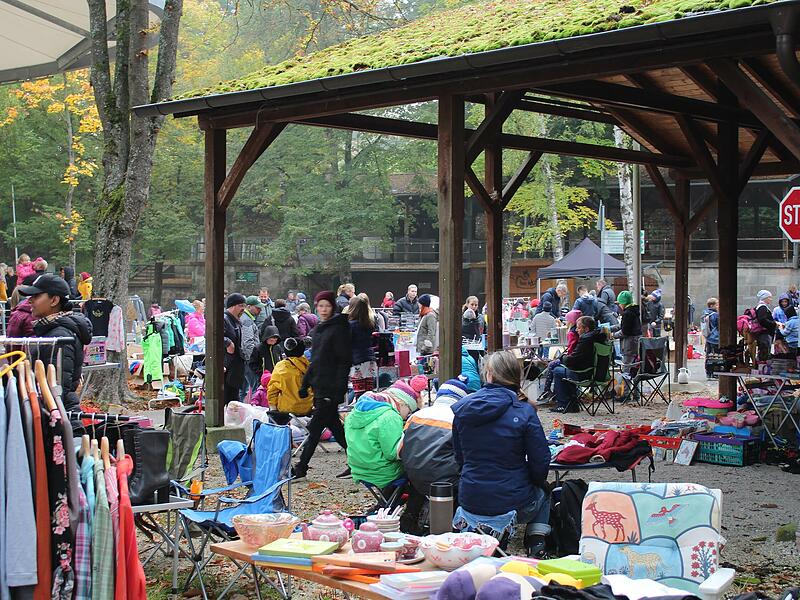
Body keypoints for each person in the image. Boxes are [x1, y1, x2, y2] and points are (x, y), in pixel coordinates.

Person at [451, 351, 551, 557]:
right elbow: (540, 460)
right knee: (544, 493)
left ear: (489, 374)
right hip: (513, 500)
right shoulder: (524, 411)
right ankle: (536, 545)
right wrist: (534, 481)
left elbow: (459, 457)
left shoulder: (464, 409)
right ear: (517, 376)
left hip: (470, 497)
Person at [294, 291, 352, 479]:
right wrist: (305, 383)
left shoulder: (339, 328)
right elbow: (316, 360)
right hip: (319, 385)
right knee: (335, 427)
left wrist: (340, 387)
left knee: (315, 429)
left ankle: (301, 467)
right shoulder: (319, 328)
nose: (324, 309)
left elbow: (344, 361)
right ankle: (357, 460)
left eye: (327, 305)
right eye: (320, 306)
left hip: (331, 387)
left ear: (332, 307)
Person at [399, 377, 469, 535]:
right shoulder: (460, 420)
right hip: (446, 483)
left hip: (414, 476)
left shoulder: (417, 415)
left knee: (425, 470)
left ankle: (411, 517)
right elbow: (465, 455)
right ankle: (452, 525)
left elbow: (401, 448)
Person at [18, 274, 93, 412]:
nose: (30, 301)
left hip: (57, 415)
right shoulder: (51, 330)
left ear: (54, 300)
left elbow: (59, 388)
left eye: (36, 296)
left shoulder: (59, 336)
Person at [551, 316, 606, 413]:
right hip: (600, 374)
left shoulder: (586, 340)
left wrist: (562, 357)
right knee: (565, 370)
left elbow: (573, 360)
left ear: (586, 329)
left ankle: (564, 404)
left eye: (579, 327)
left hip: (584, 374)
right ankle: (572, 404)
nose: (576, 330)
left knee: (557, 371)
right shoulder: (601, 338)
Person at [267, 337, 314, 418]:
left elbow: (272, 390)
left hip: (287, 411)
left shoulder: (281, 367)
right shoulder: (308, 365)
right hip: (308, 408)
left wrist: (272, 408)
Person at [348, 295, 377, 398]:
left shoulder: (350, 325)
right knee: (369, 392)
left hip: (357, 361)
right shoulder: (369, 324)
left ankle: (361, 412)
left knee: (359, 392)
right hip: (370, 359)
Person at [223, 293, 247, 405]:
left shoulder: (235, 320)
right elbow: (211, 334)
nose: (243, 309)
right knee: (228, 398)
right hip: (227, 367)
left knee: (234, 399)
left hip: (235, 368)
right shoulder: (224, 319)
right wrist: (227, 343)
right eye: (241, 306)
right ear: (232, 306)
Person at [614, 291, 642, 387]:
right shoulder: (634, 310)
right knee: (634, 369)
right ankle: (636, 394)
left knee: (626, 369)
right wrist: (611, 328)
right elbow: (623, 326)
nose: (619, 306)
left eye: (619, 303)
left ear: (623, 303)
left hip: (629, 345)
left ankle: (625, 393)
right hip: (636, 343)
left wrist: (612, 335)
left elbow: (624, 331)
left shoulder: (627, 313)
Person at [240, 296, 265, 401]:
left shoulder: (246, 319)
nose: (260, 310)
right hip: (248, 360)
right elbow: (248, 343)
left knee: (242, 389)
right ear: (249, 307)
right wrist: (254, 359)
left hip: (244, 359)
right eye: (257, 307)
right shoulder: (247, 321)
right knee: (255, 388)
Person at [754, 290, 777, 361]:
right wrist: (773, 324)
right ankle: (763, 368)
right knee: (765, 351)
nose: (771, 299)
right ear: (765, 298)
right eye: (769, 297)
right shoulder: (762, 307)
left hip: (764, 333)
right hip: (765, 333)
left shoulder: (761, 307)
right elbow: (762, 320)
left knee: (764, 350)